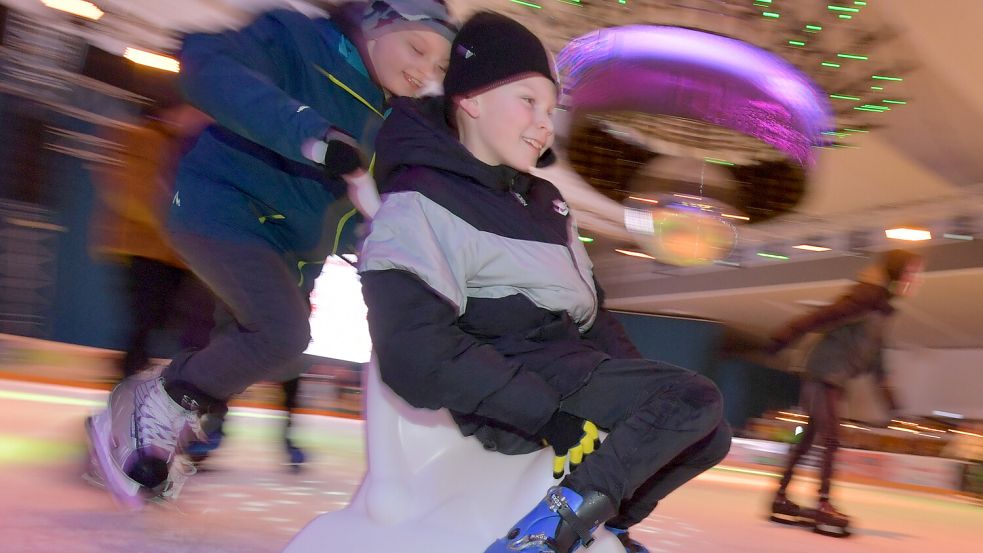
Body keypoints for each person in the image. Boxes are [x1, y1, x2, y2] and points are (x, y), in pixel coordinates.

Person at [357, 12, 731, 553]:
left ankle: (605, 524)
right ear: (471, 99)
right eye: (528, 101)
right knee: (694, 398)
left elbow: (592, 317)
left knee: (706, 432)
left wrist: (631, 379)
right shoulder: (418, 199)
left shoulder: (544, 205)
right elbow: (413, 349)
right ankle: (548, 531)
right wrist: (544, 414)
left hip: (565, 370)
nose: (543, 124)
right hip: (505, 385)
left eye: (550, 110)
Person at [86, 0, 456, 508]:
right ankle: (154, 402)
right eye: (417, 48)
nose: (424, 71)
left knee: (265, 352)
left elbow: (353, 213)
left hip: (291, 254)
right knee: (281, 333)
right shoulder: (299, 41)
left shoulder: (395, 124)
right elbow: (206, 62)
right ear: (375, 22)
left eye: (439, 65)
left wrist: (382, 242)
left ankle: (153, 428)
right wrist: (309, 133)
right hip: (223, 205)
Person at [767, 249, 923, 534]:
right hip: (822, 374)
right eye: (911, 272)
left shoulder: (881, 308)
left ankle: (780, 497)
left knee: (810, 438)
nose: (915, 280)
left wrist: (891, 401)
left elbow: (877, 359)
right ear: (898, 273)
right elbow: (822, 316)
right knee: (831, 437)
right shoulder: (866, 297)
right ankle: (823, 503)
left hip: (834, 378)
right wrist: (784, 336)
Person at [89, 101, 214, 381]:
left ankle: (149, 392)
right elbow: (128, 189)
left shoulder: (192, 149)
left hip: (178, 256)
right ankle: (124, 393)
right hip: (144, 250)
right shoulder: (141, 138)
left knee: (175, 327)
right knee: (144, 324)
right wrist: (172, 217)